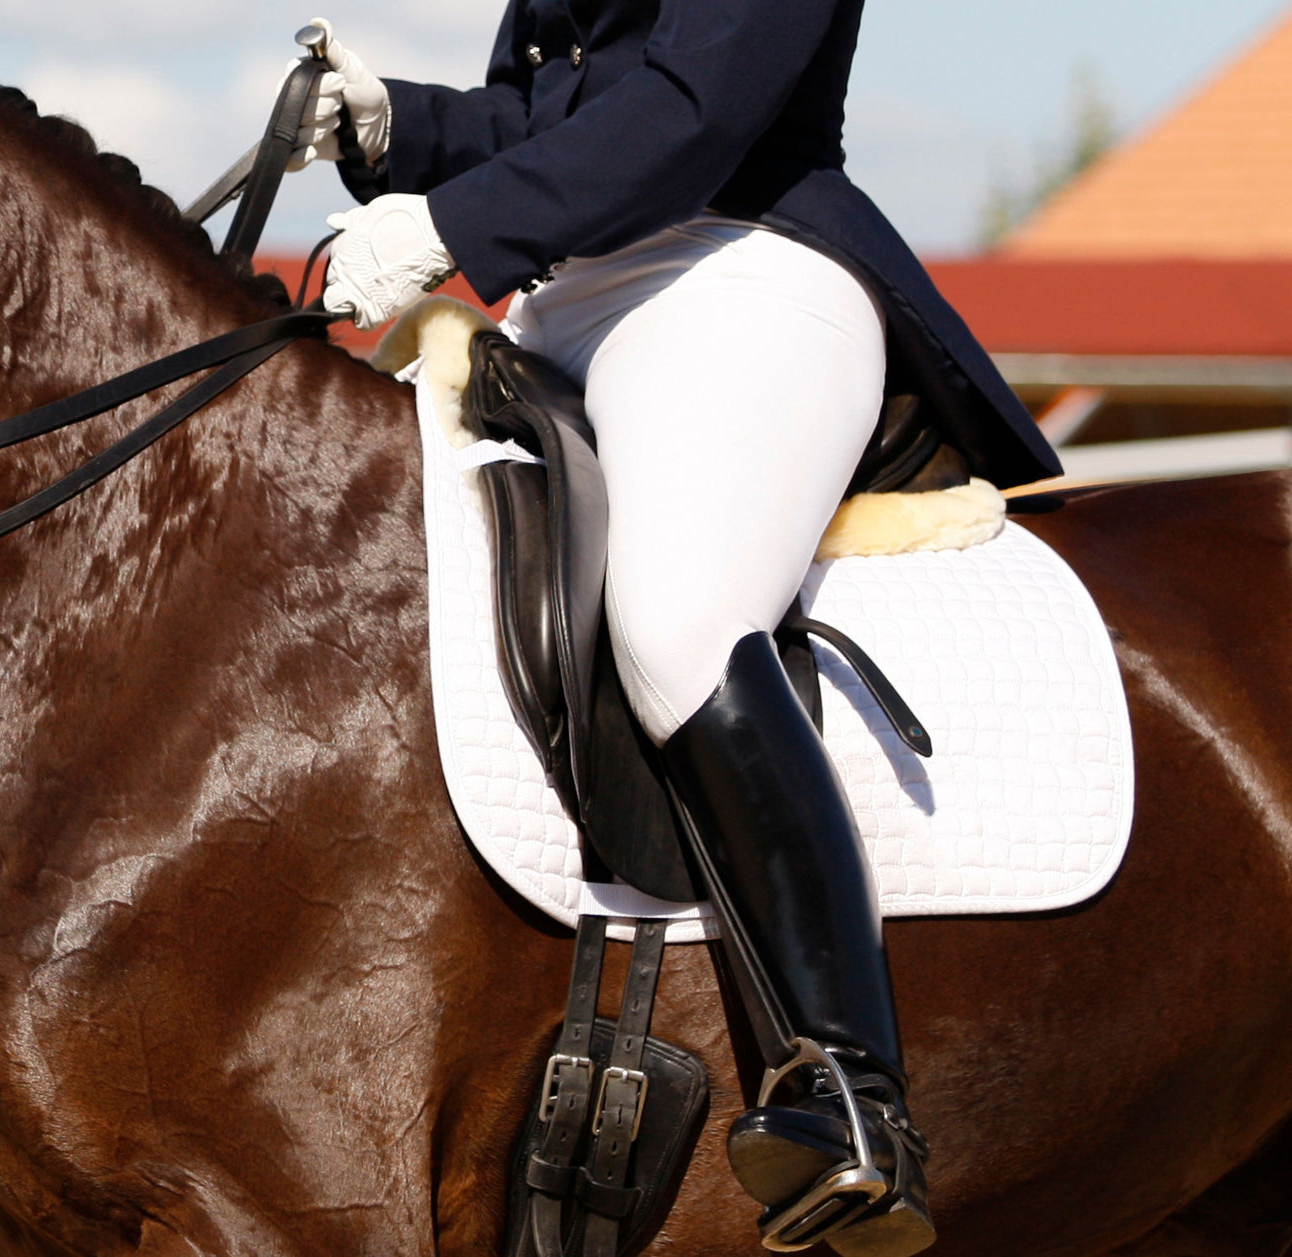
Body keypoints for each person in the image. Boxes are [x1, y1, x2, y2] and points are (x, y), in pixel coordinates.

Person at [299, 6, 1061, 1253]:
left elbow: (693, 111)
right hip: (562, 294)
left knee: (678, 620)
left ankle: (851, 1086)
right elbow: (573, 112)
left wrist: (447, 226)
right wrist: (405, 128)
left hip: (742, 273)